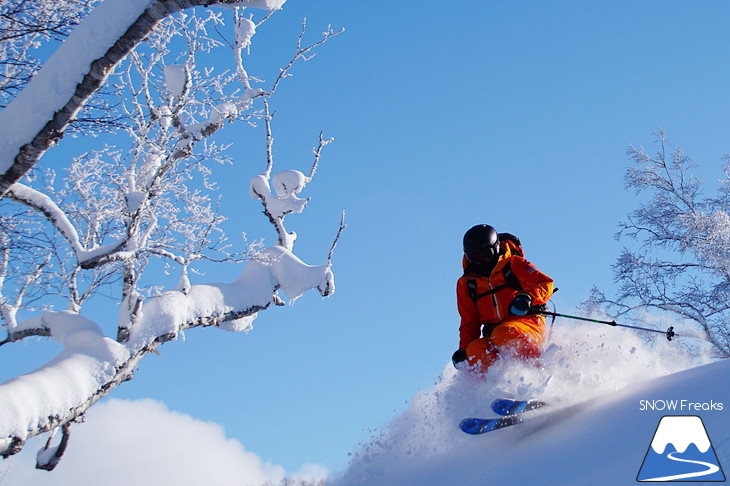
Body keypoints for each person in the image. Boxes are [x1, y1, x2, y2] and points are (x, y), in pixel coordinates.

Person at [452, 224, 554, 374]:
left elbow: (545, 283)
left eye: (485, 255)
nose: (480, 262)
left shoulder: (513, 264)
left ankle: (537, 373)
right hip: (495, 335)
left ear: (495, 249)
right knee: (475, 349)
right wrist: (463, 350)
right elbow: (469, 322)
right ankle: (491, 390)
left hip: (527, 324)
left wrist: (527, 297)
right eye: (474, 258)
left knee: (504, 333)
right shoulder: (467, 283)